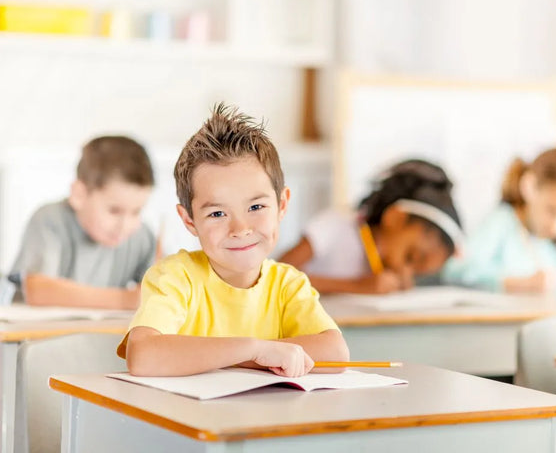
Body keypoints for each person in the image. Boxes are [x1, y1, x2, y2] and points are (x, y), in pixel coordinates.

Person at [117, 103, 349, 378]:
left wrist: (248, 356)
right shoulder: (175, 277)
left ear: (282, 204)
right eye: (217, 213)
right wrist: (252, 350)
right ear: (190, 221)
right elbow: (144, 357)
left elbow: (335, 354)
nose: (240, 228)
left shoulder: (288, 285)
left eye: (255, 207)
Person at [9, 135, 156, 309]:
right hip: (38, 335)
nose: (125, 225)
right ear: (79, 195)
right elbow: (38, 291)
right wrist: (125, 300)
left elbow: (163, 289)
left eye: (136, 211)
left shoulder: (141, 235)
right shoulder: (50, 221)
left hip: (101, 335)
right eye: (114, 211)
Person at [279, 159, 463, 295]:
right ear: (395, 218)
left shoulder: (382, 269)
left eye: (416, 274)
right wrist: (355, 286)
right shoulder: (338, 225)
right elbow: (278, 276)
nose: (406, 272)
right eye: (410, 257)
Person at [442, 148, 556, 299]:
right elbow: (454, 270)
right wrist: (516, 284)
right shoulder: (501, 222)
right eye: (551, 210)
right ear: (529, 186)